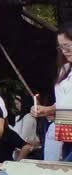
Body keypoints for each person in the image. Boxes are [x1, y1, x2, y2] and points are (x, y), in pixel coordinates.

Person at [31, 23, 72, 162]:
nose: (65, 51)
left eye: (68, 45)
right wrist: (47, 110)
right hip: (65, 129)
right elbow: (65, 100)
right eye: (61, 47)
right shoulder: (65, 69)